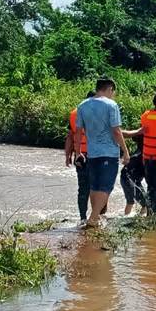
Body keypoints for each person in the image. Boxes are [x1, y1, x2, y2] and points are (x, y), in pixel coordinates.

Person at [74, 79, 130, 228]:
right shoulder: (111, 105)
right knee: (105, 187)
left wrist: (78, 151)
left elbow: (78, 132)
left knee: (95, 186)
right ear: (110, 89)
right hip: (108, 153)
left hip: (92, 153)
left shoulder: (82, 105)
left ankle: (95, 217)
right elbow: (116, 131)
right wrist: (125, 151)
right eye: (113, 91)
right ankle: (93, 218)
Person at [123, 93, 156, 216]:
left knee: (151, 187)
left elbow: (143, 130)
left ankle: (149, 213)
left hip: (148, 157)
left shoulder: (146, 116)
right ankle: (153, 217)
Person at [65, 90, 94, 224]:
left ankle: (83, 218)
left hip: (80, 155)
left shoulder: (75, 113)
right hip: (96, 155)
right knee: (99, 186)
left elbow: (70, 137)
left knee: (83, 188)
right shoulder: (99, 112)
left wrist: (68, 155)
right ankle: (97, 216)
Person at [119, 135, 147, 215]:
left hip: (125, 178)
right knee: (147, 204)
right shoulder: (142, 155)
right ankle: (140, 221)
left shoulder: (137, 153)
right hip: (130, 180)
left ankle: (126, 217)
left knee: (130, 202)